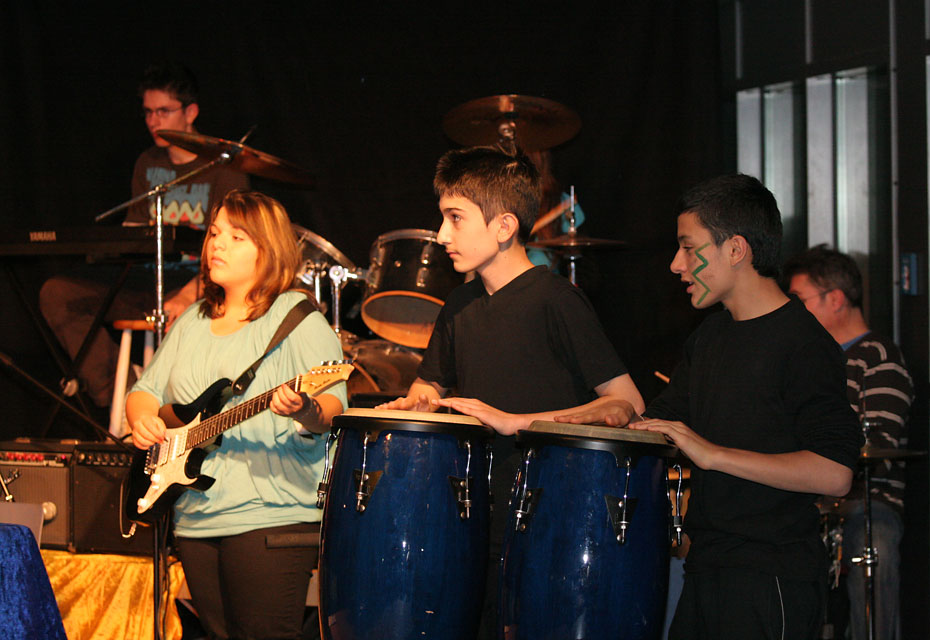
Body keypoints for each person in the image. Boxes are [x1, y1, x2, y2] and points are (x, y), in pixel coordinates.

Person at [559, 174, 863, 639]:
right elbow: (661, 423)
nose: (676, 264)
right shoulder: (710, 337)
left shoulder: (804, 343)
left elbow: (835, 472)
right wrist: (614, 416)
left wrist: (713, 454)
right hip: (707, 567)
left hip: (770, 576)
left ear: (736, 249)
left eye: (688, 247)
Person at [378, 144, 645, 638]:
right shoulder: (459, 303)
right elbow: (429, 382)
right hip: (471, 510)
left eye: (456, 218)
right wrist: (417, 401)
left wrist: (517, 423)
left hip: (546, 515)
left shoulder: (556, 300)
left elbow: (627, 401)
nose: (442, 235)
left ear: (504, 227)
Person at [127, 190, 345, 640]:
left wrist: (306, 408)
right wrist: (143, 420)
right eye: (214, 233)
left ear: (269, 248)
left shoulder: (298, 318)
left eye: (236, 236)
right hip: (195, 514)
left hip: (271, 517)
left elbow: (333, 410)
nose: (217, 245)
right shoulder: (193, 319)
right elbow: (144, 391)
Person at [39, 61, 248, 409]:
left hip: (201, 284)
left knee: (190, 312)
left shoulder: (223, 169)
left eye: (164, 111)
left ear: (190, 112)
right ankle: (125, 398)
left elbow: (233, 252)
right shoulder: (147, 162)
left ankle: (178, 409)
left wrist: (189, 293)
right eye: (149, 112)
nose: (153, 121)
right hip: (146, 279)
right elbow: (136, 237)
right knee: (58, 294)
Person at [783, 244, 914, 640]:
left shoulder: (878, 357)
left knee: (875, 543)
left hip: (866, 501)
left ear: (836, 298)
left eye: (800, 300)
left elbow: (878, 445)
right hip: (811, 496)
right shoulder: (811, 357)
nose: (793, 310)